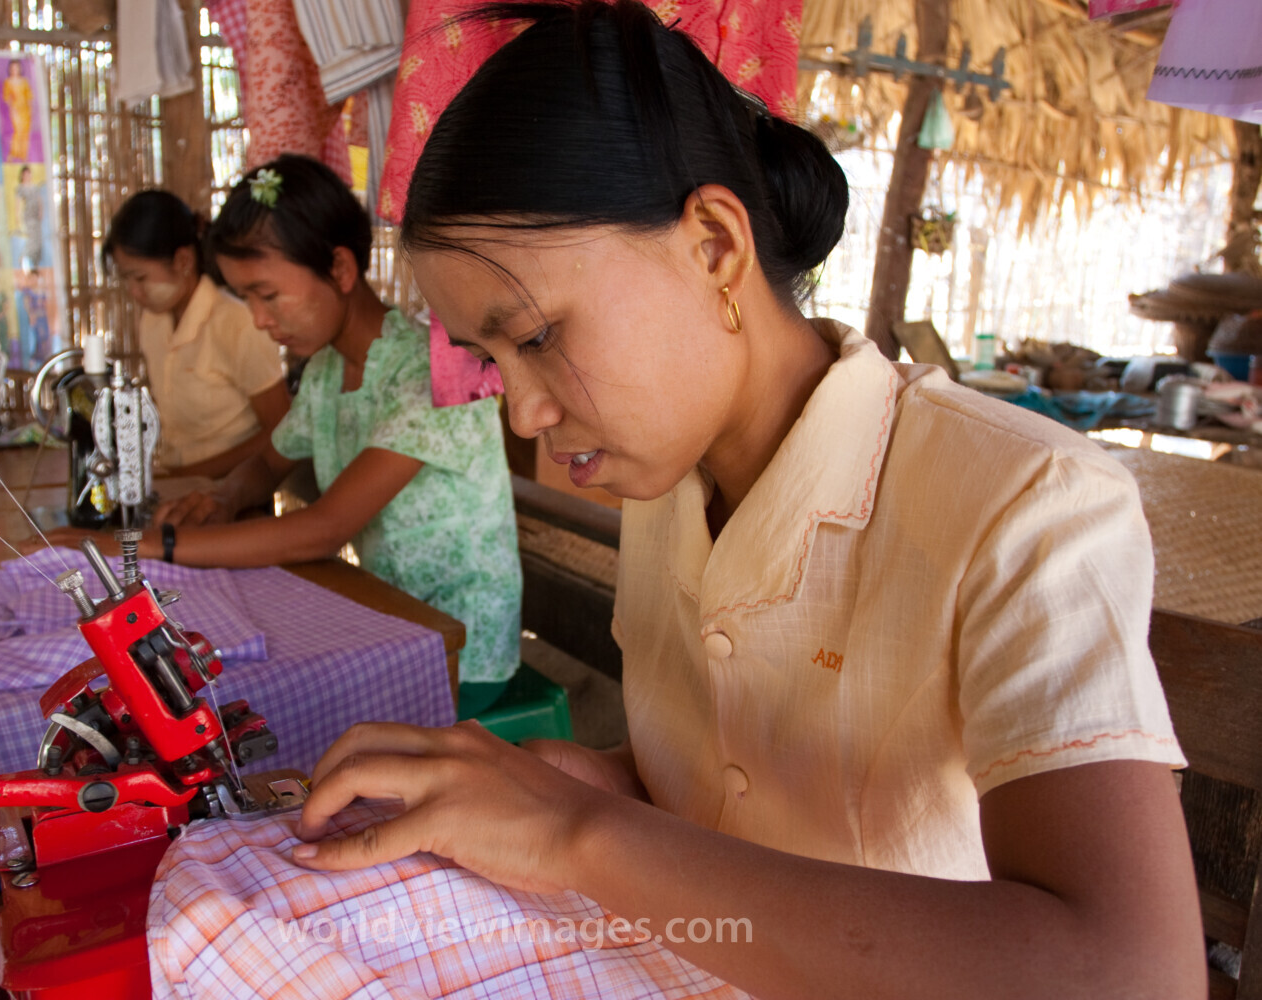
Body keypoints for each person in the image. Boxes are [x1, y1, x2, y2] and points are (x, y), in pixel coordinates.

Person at [281, 4, 1206, 998]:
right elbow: (710, 787)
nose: (528, 407)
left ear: (716, 246)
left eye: (539, 335)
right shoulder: (669, 481)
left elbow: (1131, 971)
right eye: (494, 360)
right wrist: (565, 783)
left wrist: (580, 831)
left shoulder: (1028, 504)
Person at [41, 156, 523, 713]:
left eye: (267, 295)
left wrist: (152, 545)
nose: (259, 319)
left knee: (245, 714)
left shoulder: (432, 374)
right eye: (246, 298)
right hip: (391, 618)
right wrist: (223, 497)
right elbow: (268, 462)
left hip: (461, 648)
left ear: (340, 270)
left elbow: (324, 529)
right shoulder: (325, 369)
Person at [99, 188, 289, 478]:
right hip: (176, 486)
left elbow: (283, 432)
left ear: (183, 261)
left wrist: (191, 476)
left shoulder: (237, 323)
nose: (134, 292)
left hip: (236, 495)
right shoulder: (152, 322)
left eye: (141, 278)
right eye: (127, 280)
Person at [14, 166, 45, 269]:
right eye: (25, 174)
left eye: (29, 173)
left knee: (38, 239)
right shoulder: (21, 188)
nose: (27, 176)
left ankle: (35, 262)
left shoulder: (35, 187)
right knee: (31, 238)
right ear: (22, 175)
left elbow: (39, 200)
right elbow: (17, 204)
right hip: (28, 216)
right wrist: (17, 217)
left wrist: (41, 211)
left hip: (36, 215)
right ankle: (23, 257)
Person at [3, 59, 33, 161]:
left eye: (17, 67)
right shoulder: (8, 82)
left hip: (25, 111)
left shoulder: (24, 82)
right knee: (17, 131)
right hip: (15, 111)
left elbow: (29, 96)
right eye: (13, 68)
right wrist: (13, 108)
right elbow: (7, 97)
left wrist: (30, 110)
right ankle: (14, 153)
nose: (15, 70)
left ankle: (23, 155)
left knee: (25, 132)